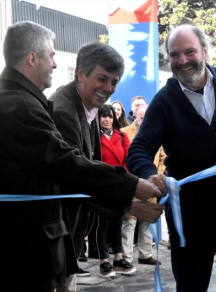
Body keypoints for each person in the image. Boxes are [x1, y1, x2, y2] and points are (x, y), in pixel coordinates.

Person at [0, 21, 163, 291]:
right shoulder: (25, 105)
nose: (54, 64)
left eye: (114, 81)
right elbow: (68, 167)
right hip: (28, 245)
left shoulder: (31, 101)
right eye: (51, 56)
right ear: (31, 58)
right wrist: (132, 190)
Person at [126, 24, 216, 292]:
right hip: (188, 215)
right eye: (175, 55)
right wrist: (149, 173)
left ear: (205, 51)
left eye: (190, 52)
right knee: (190, 285)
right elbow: (138, 148)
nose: (183, 60)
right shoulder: (164, 100)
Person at [92, 104, 136, 277]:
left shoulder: (122, 136)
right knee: (102, 225)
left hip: (119, 184)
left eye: (110, 116)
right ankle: (104, 261)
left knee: (117, 222)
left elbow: (128, 159)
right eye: (103, 116)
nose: (107, 119)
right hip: (101, 185)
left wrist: (124, 180)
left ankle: (118, 259)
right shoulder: (93, 136)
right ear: (98, 118)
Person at [122, 104, 166, 266]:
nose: (144, 121)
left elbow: (162, 157)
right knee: (129, 221)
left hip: (152, 185)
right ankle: (126, 258)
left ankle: (145, 254)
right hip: (132, 183)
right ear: (135, 116)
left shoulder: (157, 133)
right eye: (141, 118)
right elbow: (124, 158)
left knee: (148, 221)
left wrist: (156, 175)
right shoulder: (124, 132)